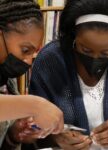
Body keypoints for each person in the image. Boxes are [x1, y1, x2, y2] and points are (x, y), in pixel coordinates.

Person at [29, 0, 108, 149]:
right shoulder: (50, 60)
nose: (95, 58)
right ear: (73, 37)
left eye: (106, 52)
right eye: (85, 50)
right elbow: (30, 126)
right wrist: (55, 137)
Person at [0, 0, 64, 149]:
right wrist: (35, 105)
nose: (29, 62)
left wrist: (14, 135)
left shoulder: (6, 78)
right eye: (25, 50)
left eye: (32, 53)